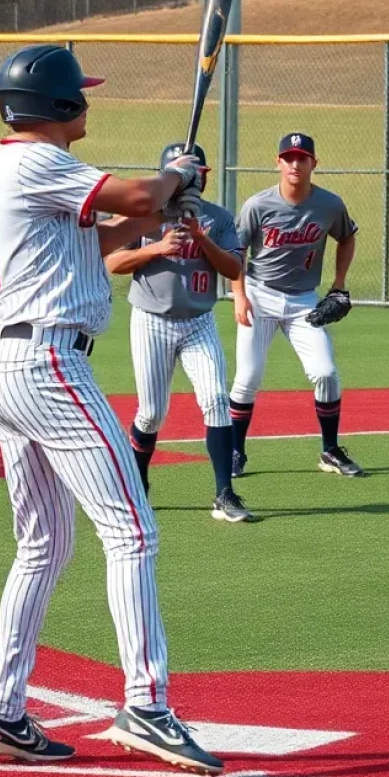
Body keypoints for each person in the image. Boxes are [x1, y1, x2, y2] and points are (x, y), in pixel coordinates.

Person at [0, 44, 222, 776]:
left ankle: (4, 711)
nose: (88, 101)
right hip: (47, 364)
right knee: (132, 531)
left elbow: (106, 235)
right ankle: (146, 703)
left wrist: (167, 211)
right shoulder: (35, 160)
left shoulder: (29, 167)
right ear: (58, 105)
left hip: (9, 364)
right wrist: (175, 176)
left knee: (44, 546)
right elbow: (134, 196)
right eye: (79, 93)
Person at [105, 142, 253, 523]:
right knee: (152, 414)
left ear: (204, 177)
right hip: (151, 319)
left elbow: (234, 269)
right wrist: (158, 248)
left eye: (196, 175)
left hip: (198, 321)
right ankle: (138, 485)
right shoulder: (145, 217)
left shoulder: (218, 218)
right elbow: (113, 262)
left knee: (216, 399)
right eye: (183, 174)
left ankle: (224, 493)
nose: (191, 182)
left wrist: (201, 238)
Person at [229, 132, 364, 478]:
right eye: (288, 158)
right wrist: (239, 294)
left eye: (302, 158)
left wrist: (339, 284)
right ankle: (235, 451)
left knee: (326, 373)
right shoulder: (258, 205)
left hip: (303, 300)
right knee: (247, 377)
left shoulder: (329, 204)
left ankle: (330, 450)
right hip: (260, 295)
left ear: (313, 163)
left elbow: (347, 236)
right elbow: (236, 252)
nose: (294, 164)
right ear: (278, 162)